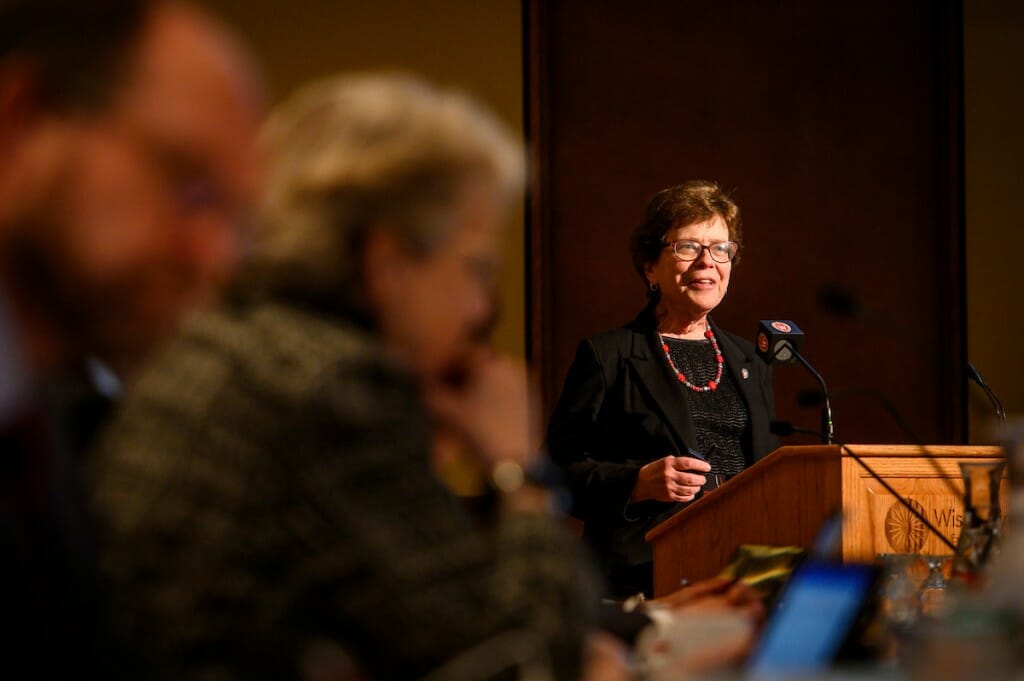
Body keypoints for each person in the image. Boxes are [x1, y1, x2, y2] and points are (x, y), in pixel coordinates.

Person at [89, 73, 601, 681]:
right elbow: (523, 667)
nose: (482, 308)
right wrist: (520, 469)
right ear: (387, 264)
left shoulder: (232, 348)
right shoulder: (329, 387)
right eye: (476, 267)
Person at [0, 0, 263, 672]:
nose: (212, 257)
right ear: (20, 122)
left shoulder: (51, 416)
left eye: (234, 219)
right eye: (190, 186)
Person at [546, 180, 778, 599]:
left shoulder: (750, 362)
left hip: (743, 577)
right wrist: (636, 483)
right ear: (650, 266)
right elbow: (556, 473)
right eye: (687, 247)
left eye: (721, 248)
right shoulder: (609, 356)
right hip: (647, 577)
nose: (707, 262)